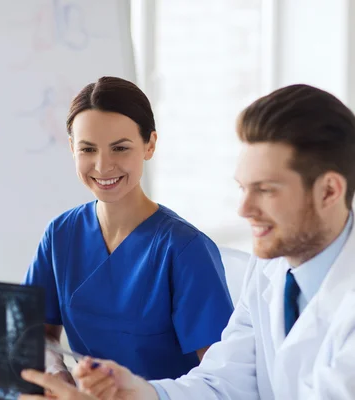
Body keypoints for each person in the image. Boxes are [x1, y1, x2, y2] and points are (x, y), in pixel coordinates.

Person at [20, 83, 355, 399]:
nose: (244, 209)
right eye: (243, 188)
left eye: (265, 190)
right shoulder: (270, 268)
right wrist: (142, 392)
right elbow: (222, 381)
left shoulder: (182, 247)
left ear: (328, 191)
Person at [23, 76, 234, 384]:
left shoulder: (185, 249)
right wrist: (59, 376)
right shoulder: (61, 234)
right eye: (88, 149)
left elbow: (223, 380)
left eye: (120, 148)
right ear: (72, 148)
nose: (103, 166)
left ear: (150, 144)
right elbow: (34, 332)